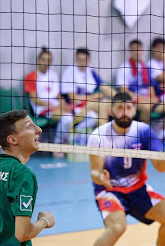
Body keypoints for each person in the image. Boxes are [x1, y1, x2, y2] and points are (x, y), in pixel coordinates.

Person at [87, 92, 165, 246]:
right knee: (117, 228)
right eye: (119, 108)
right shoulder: (98, 136)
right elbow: (94, 172)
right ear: (110, 111)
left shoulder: (144, 131)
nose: (124, 112)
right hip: (109, 190)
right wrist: (100, 178)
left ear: (134, 110)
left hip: (138, 189)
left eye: (128, 108)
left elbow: (160, 166)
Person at [0, 110, 56, 244]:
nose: (39, 130)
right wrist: (44, 221)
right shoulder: (22, 174)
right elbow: (22, 233)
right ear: (13, 139)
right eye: (29, 126)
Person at [60, 48, 116, 144]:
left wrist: (120, 97)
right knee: (102, 106)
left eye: (84, 60)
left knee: (111, 104)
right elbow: (73, 98)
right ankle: (103, 141)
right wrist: (94, 97)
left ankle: (105, 139)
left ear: (89, 60)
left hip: (90, 106)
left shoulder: (91, 72)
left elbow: (104, 87)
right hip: (76, 108)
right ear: (75, 59)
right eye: (79, 59)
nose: (82, 62)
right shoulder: (69, 72)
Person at [24, 47, 75, 149]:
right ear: (38, 60)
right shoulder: (31, 76)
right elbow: (35, 99)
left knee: (78, 113)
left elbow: (57, 95)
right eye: (43, 60)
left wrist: (64, 104)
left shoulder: (53, 74)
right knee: (67, 118)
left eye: (49, 60)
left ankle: (71, 143)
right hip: (42, 109)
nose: (46, 63)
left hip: (55, 107)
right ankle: (58, 146)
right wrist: (52, 105)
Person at [114, 39, 158, 126]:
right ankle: (143, 135)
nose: (137, 52)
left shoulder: (145, 67)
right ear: (130, 51)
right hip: (132, 101)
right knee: (145, 106)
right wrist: (140, 98)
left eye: (139, 49)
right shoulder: (124, 68)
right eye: (134, 49)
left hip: (146, 99)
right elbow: (123, 91)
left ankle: (164, 133)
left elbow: (150, 86)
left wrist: (153, 98)